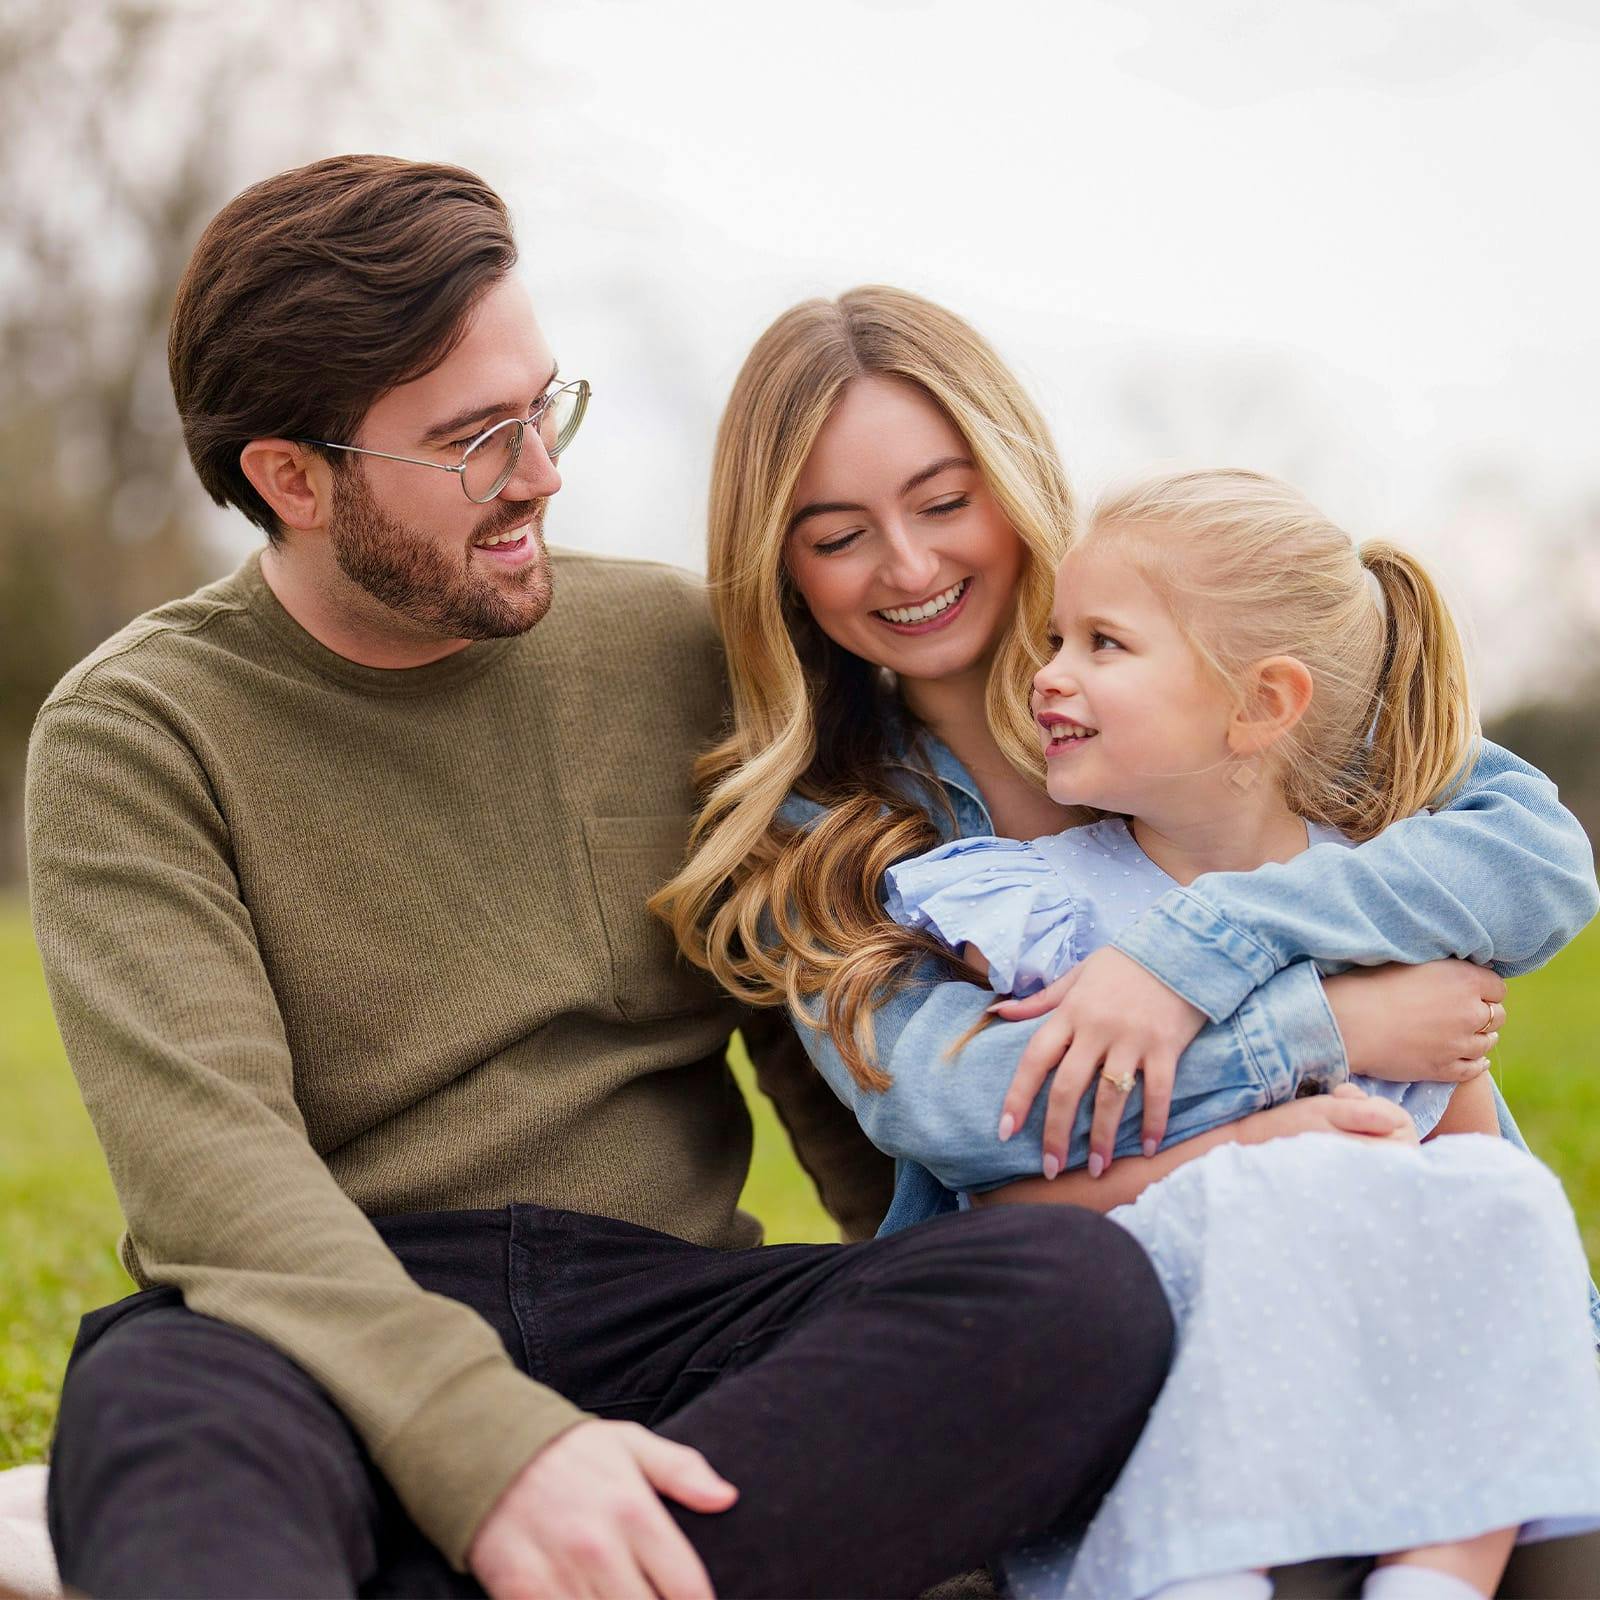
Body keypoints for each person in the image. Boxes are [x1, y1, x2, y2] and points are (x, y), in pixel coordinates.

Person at [25, 157, 1181, 1598]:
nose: (542, 473)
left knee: (1069, 1299)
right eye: (473, 442)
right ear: (290, 477)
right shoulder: (134, 735)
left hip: (667, 1318)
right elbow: (214, 1178)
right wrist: (493, 1448)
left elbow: (816, 1023)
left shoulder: (679, 651)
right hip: (319, 1323)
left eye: (542, 407)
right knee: (161, 1407)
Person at [652, 286, 1600, 1596]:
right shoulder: (830, 830)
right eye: (838, 534)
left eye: (942, 502)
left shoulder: (1219, 666)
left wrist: (1194, 952)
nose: (912, 566)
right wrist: (1313, 1034)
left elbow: (1532, 861)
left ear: (1011, 473)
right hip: (1116, 1343)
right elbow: (966, 1106)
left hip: (1410, 1305)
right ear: (784, 568)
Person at [876, 467, 1600, 1600]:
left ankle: (1444, 1566)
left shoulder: (1372, 905)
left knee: (1509, 1210)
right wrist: (1255, 1151)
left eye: (1103, 644)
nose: (1049, 674)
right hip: (1159, 1393)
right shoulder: (1039, 914)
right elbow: (1007, 1208)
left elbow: (1470, 1176)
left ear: (1262, 703)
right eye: (1056, 637)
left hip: (1378, 1385)